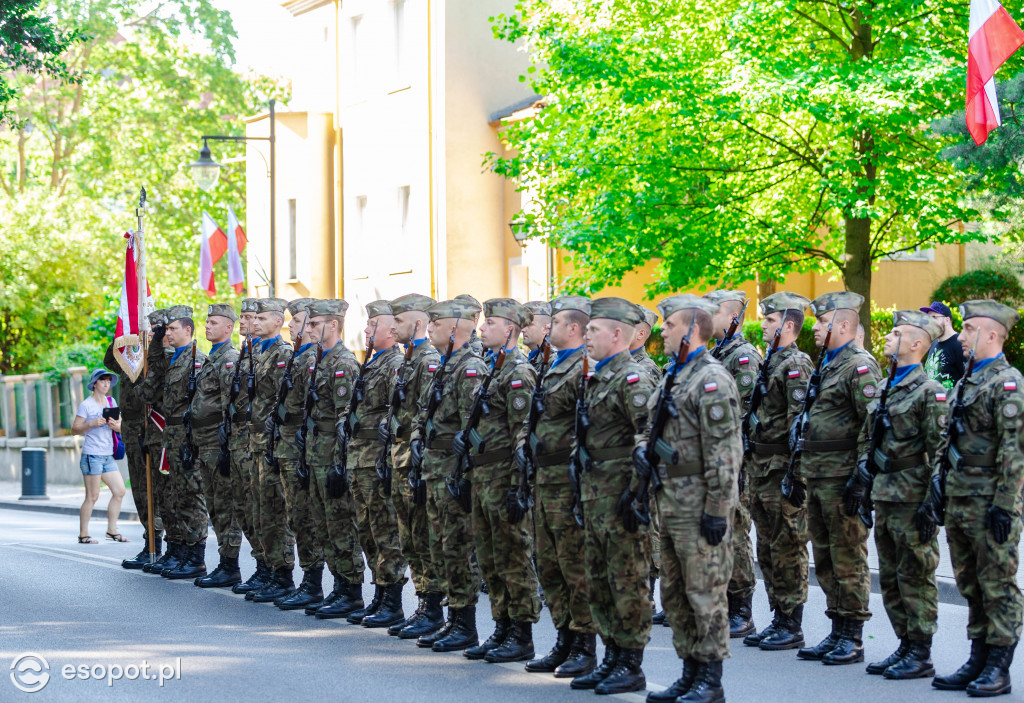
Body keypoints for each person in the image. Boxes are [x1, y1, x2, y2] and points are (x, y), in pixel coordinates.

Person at [638, 294, 742, 703]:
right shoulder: (674, 375)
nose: (662, 331)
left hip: (699, 502)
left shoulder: (711, 379)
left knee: (705, 593)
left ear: (692, 329)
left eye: (669, 324)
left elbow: (725, 452)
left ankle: (710, 680)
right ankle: (689, 670)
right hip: (669, 499)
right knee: (676, 593)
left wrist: (718, 510)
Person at [843, 310, 945, 680]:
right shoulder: (885, 386)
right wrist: (863, 480)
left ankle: (921, 651)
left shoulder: (929, 392)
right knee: (890, 576)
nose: (888, 337)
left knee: (916, 574)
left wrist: (933, 503)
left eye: (897, 333)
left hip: (912, 497)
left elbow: (939, 451)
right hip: (885, 495)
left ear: (917, 344)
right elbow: (869, 440)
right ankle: (905, 644)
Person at [931, 300, 1023, 697]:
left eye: (968, 329)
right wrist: (938, 483)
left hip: (989, 502)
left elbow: (1014, 449)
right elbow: (948, 439)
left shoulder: (1007, 382)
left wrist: (1005, 504)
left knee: (997, 584)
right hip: (960, 498)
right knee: (970, 584)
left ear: (990, 334)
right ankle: (978, 656)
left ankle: (998, 667)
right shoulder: (969, 379)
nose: (961, 336)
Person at [570, 297, 656, 695]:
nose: (586, 336)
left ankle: (630, 661)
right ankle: (610, 656)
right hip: (595, 492)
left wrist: (637, 496)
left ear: (617, 334)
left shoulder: (632, 378)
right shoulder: (598, 376)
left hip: (620, 493)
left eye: (593, 330)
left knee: (627, 578)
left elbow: (647, 438)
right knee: (600, 578)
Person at [795, 292, 881, 665]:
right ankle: (836, 629)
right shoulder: (827, 364)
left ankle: (854, 635)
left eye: (821, 323)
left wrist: (862, 476)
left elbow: (873, 424)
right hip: (818, 474)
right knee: (825, 557)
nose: (814, 329)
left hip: (843, 477)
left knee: (848, 557)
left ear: (843, 326)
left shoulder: (860, 367)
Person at [521, 295, 598, 678]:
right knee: (549, 566)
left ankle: (584, 644)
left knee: (574, 566)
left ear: (573, 328)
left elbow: (588, 428)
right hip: (544, 479)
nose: (544, 328)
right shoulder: (554, 365)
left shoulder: (585, 368)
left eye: (552, 322)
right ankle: (563, 638)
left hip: (567, 481)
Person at [460, 298, 540, 663]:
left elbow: (521, 433)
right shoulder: (494, 368)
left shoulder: (519, 372)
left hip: (503, 476)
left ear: (510, 328)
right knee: (490, 558)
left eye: (490, 322)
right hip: (482, 475)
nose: (482, 328)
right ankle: (502, 626)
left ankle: (521, 634)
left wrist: (516, 487)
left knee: (513, 555)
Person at [409, 298, 488, 653]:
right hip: (434, 467)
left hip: (453, 471)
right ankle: (451, 618)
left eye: (435, 323)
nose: (429, 328)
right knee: (440, 547)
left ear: (454, 329)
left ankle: (465, 624)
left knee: (458, 548)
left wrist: (465, 473)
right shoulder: (445, 365)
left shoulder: (470, 368)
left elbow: (475, 426)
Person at [742, 293, 813, 652]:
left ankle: (791, 621)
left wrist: (796, 477)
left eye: (769, 321)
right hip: (760, 467)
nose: (763, 325)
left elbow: (799, 426)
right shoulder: (771, 362)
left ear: (787, 325)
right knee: (768, 547)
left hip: (780, 470)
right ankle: (778, 617)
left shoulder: (795, 364)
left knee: (788, 545)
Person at [344, 300, 408, 628]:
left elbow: (396, 411)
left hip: (376, 458)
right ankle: (380, 592)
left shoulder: (395, 363)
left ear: (391, 330)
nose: (366, 330)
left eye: (372, 326)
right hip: (359, 457)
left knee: (385, 530)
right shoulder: (371, 362)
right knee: (366, 529)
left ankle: (392, 598)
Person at [385, 293, 445, 637]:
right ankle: (423, 603)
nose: (394, 327)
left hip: (417, 459)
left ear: (418, 322)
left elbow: (426, 414)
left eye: (400, 321)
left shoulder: (428, 360)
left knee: (422, 535)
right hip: (401, 457)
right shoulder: (410, 358)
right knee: (409, 536)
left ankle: (432, 608)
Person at [305, 299, 367, 620]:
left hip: (332, 456)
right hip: (316, 453)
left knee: (341, 523)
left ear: (333, 325)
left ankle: (352, 589)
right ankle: (338, 585)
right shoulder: (319, 360)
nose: (309, 329)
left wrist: (340, 464)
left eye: (315, 324)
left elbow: (346, 417)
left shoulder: (344, 362)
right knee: (324, 524)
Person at [705, 289, 761, 639]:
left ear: (733, 318)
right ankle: (723, 603)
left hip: (735, 459)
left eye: (714, 312)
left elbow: (742, 410)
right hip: (712, 457)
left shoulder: (742, 357)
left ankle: (742, 609)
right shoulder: (715, 354)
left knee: (735, 533)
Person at [144, 305, 210, 580]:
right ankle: (180, 550)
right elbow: (154, 376)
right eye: (166, 329)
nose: (167, 333)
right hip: (170, 436)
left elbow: (199, 405)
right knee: (175, 496)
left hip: (186, 437)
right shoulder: (174, 359)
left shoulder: (196, 361)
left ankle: (196, 557)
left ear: (187, 330)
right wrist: (157, 343)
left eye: (171, 329)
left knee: (191, 496)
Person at [270, 298, 327, 611]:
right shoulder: (297, 357)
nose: (290, 326)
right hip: (288, 444)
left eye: (296, 321)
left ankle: (313, 581)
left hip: (303, 447)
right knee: (296, 514)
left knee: (305, 517)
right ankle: (307, 579)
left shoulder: (312, 360)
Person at [247, 298, 298, 602]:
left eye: (262, 318)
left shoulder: (284, 354)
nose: (255, 323)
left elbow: (282, 402)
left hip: (274, 442)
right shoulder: (256, 352)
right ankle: (268, 569)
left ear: (278, 321)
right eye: (254, 318)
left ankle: (283, 575)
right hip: (254, 441)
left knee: (276, 511)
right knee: (261, 511)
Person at [192, 303, 245, 589]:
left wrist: (227, 446)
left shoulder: (229, 359)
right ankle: (224, 562)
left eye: (213, 322)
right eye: (207, 321)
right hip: (204, 441)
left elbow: (229, 403)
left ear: (229, 327)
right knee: (213, 504)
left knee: (225, 505)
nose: (207, 325)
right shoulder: (210, 358)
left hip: (218, 442)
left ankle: (230, 565)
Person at [233, 298, 272, 595]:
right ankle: (263, 567)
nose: (249, 323)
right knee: (250, 509)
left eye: (254, 317)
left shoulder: (274, 354)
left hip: (264, 442)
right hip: (244, 439)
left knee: (268, 511)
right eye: (246, 317)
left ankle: (274, 571)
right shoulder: (246, 355)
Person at [73, 369, 129, 545]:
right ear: (94, 384)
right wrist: (90, 424)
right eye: (102, 380)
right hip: (92, 455)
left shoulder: (111, 402)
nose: (106, 384)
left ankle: (112, 531)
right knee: (92, 496)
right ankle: (83, 534)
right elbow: (74, 429)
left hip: (107, 455)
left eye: (108, 381)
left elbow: (121, 427)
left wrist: (116, 426)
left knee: (120, 491)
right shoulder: (86, 405)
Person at [920, 301, 966, 389]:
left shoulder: (960, 344)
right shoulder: (933, 343)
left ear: (947, 320)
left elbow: (968, 381)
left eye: (934, 317)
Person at [523, 301, 552, 373]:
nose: (523, 330)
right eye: (523, 324)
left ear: (546, 329)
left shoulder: (551, 360)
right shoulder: (533, 357)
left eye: (529, 325)